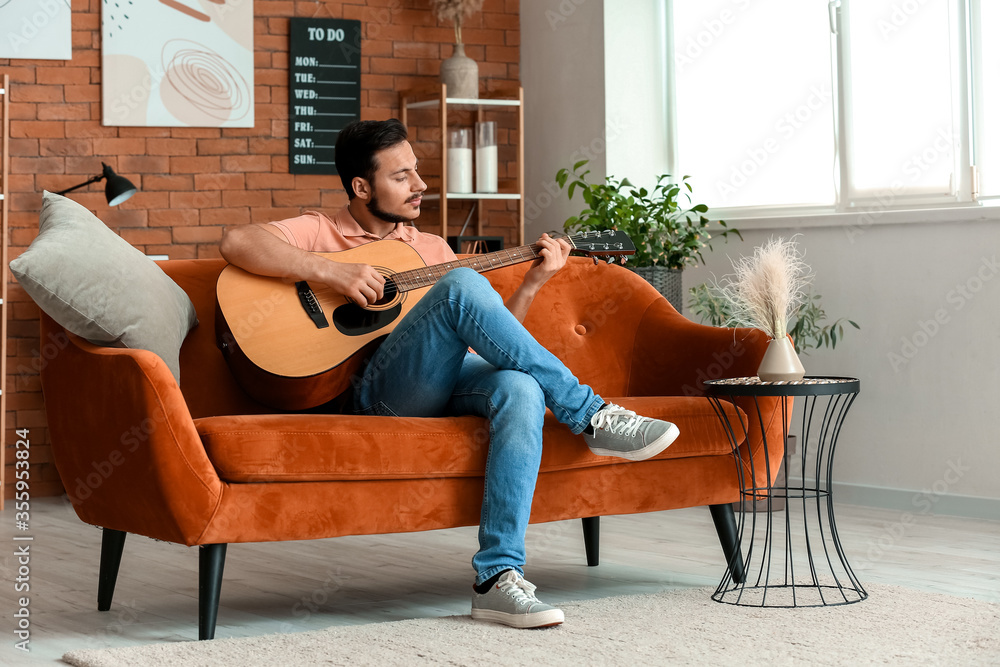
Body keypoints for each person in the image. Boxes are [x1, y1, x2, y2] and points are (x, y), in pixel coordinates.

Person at [219, 119, 680, 629]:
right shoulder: (318, 231)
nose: (420, 185)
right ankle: (592, 414)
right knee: (461, 283)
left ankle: (497, 579)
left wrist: (532, 283)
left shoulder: (430, 249)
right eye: (402, 176)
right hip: (373, 393)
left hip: (442, 383)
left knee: (520, 385)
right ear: (361, 187)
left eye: (417, 172)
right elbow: (238, 242)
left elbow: (499, 343)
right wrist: (333, 270)